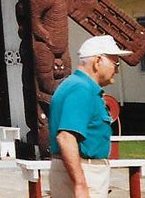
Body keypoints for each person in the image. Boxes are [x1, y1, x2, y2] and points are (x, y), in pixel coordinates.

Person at [49, 35, 131, 198]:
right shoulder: (82, 89)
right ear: (98, 61)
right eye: (115, 63)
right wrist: (80, 185)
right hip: (84, 172)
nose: (117, 69)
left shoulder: (72, 85)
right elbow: (66, 137)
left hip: (75, 170)